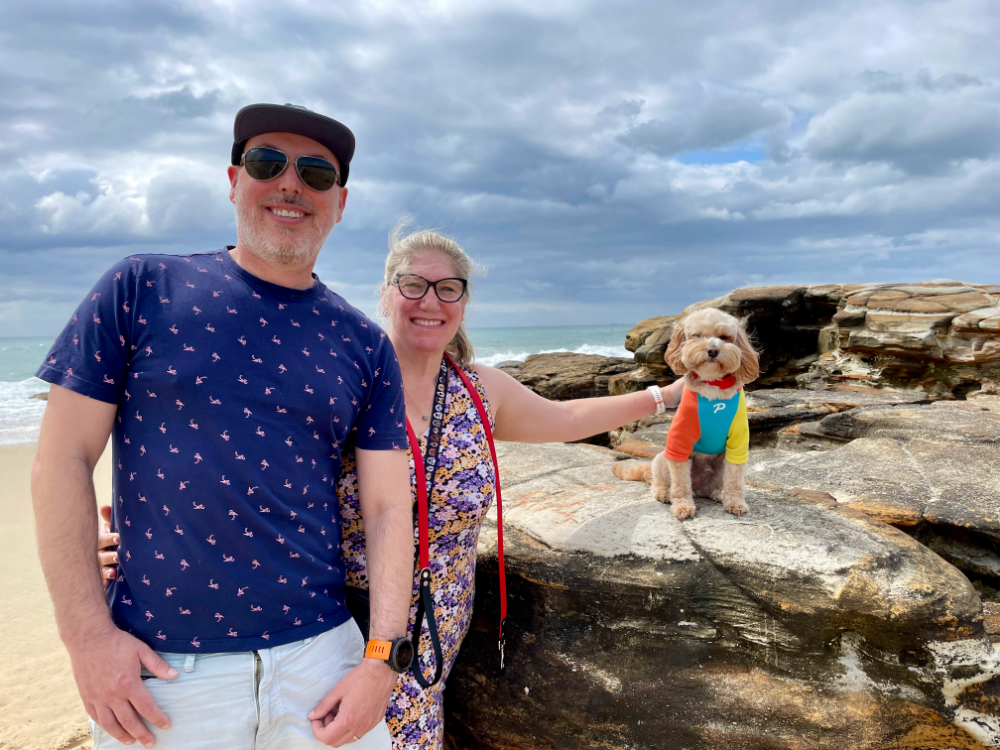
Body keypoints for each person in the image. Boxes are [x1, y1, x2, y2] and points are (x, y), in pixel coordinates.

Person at [98, 224, 684, 749]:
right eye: (414, 285)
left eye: (448, 288)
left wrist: (668, 396)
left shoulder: (481, 389)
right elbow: (240, 470)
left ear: (463, 303)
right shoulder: (341, 376)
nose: (431, 301)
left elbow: (568, 421)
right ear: (386, 294)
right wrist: (142, 544)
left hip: (441, 621)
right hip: (338, 626)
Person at [32, 103, 416, 750]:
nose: (291, 184)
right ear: (234, 180)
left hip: (324, 664)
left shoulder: (364, 342)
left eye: (316, 173)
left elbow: (385, 507)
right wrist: (87, 639)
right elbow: (62, 459)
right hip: (164, 675)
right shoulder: (140, 288)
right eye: (269, 163)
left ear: (341, 202)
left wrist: (382, 659)